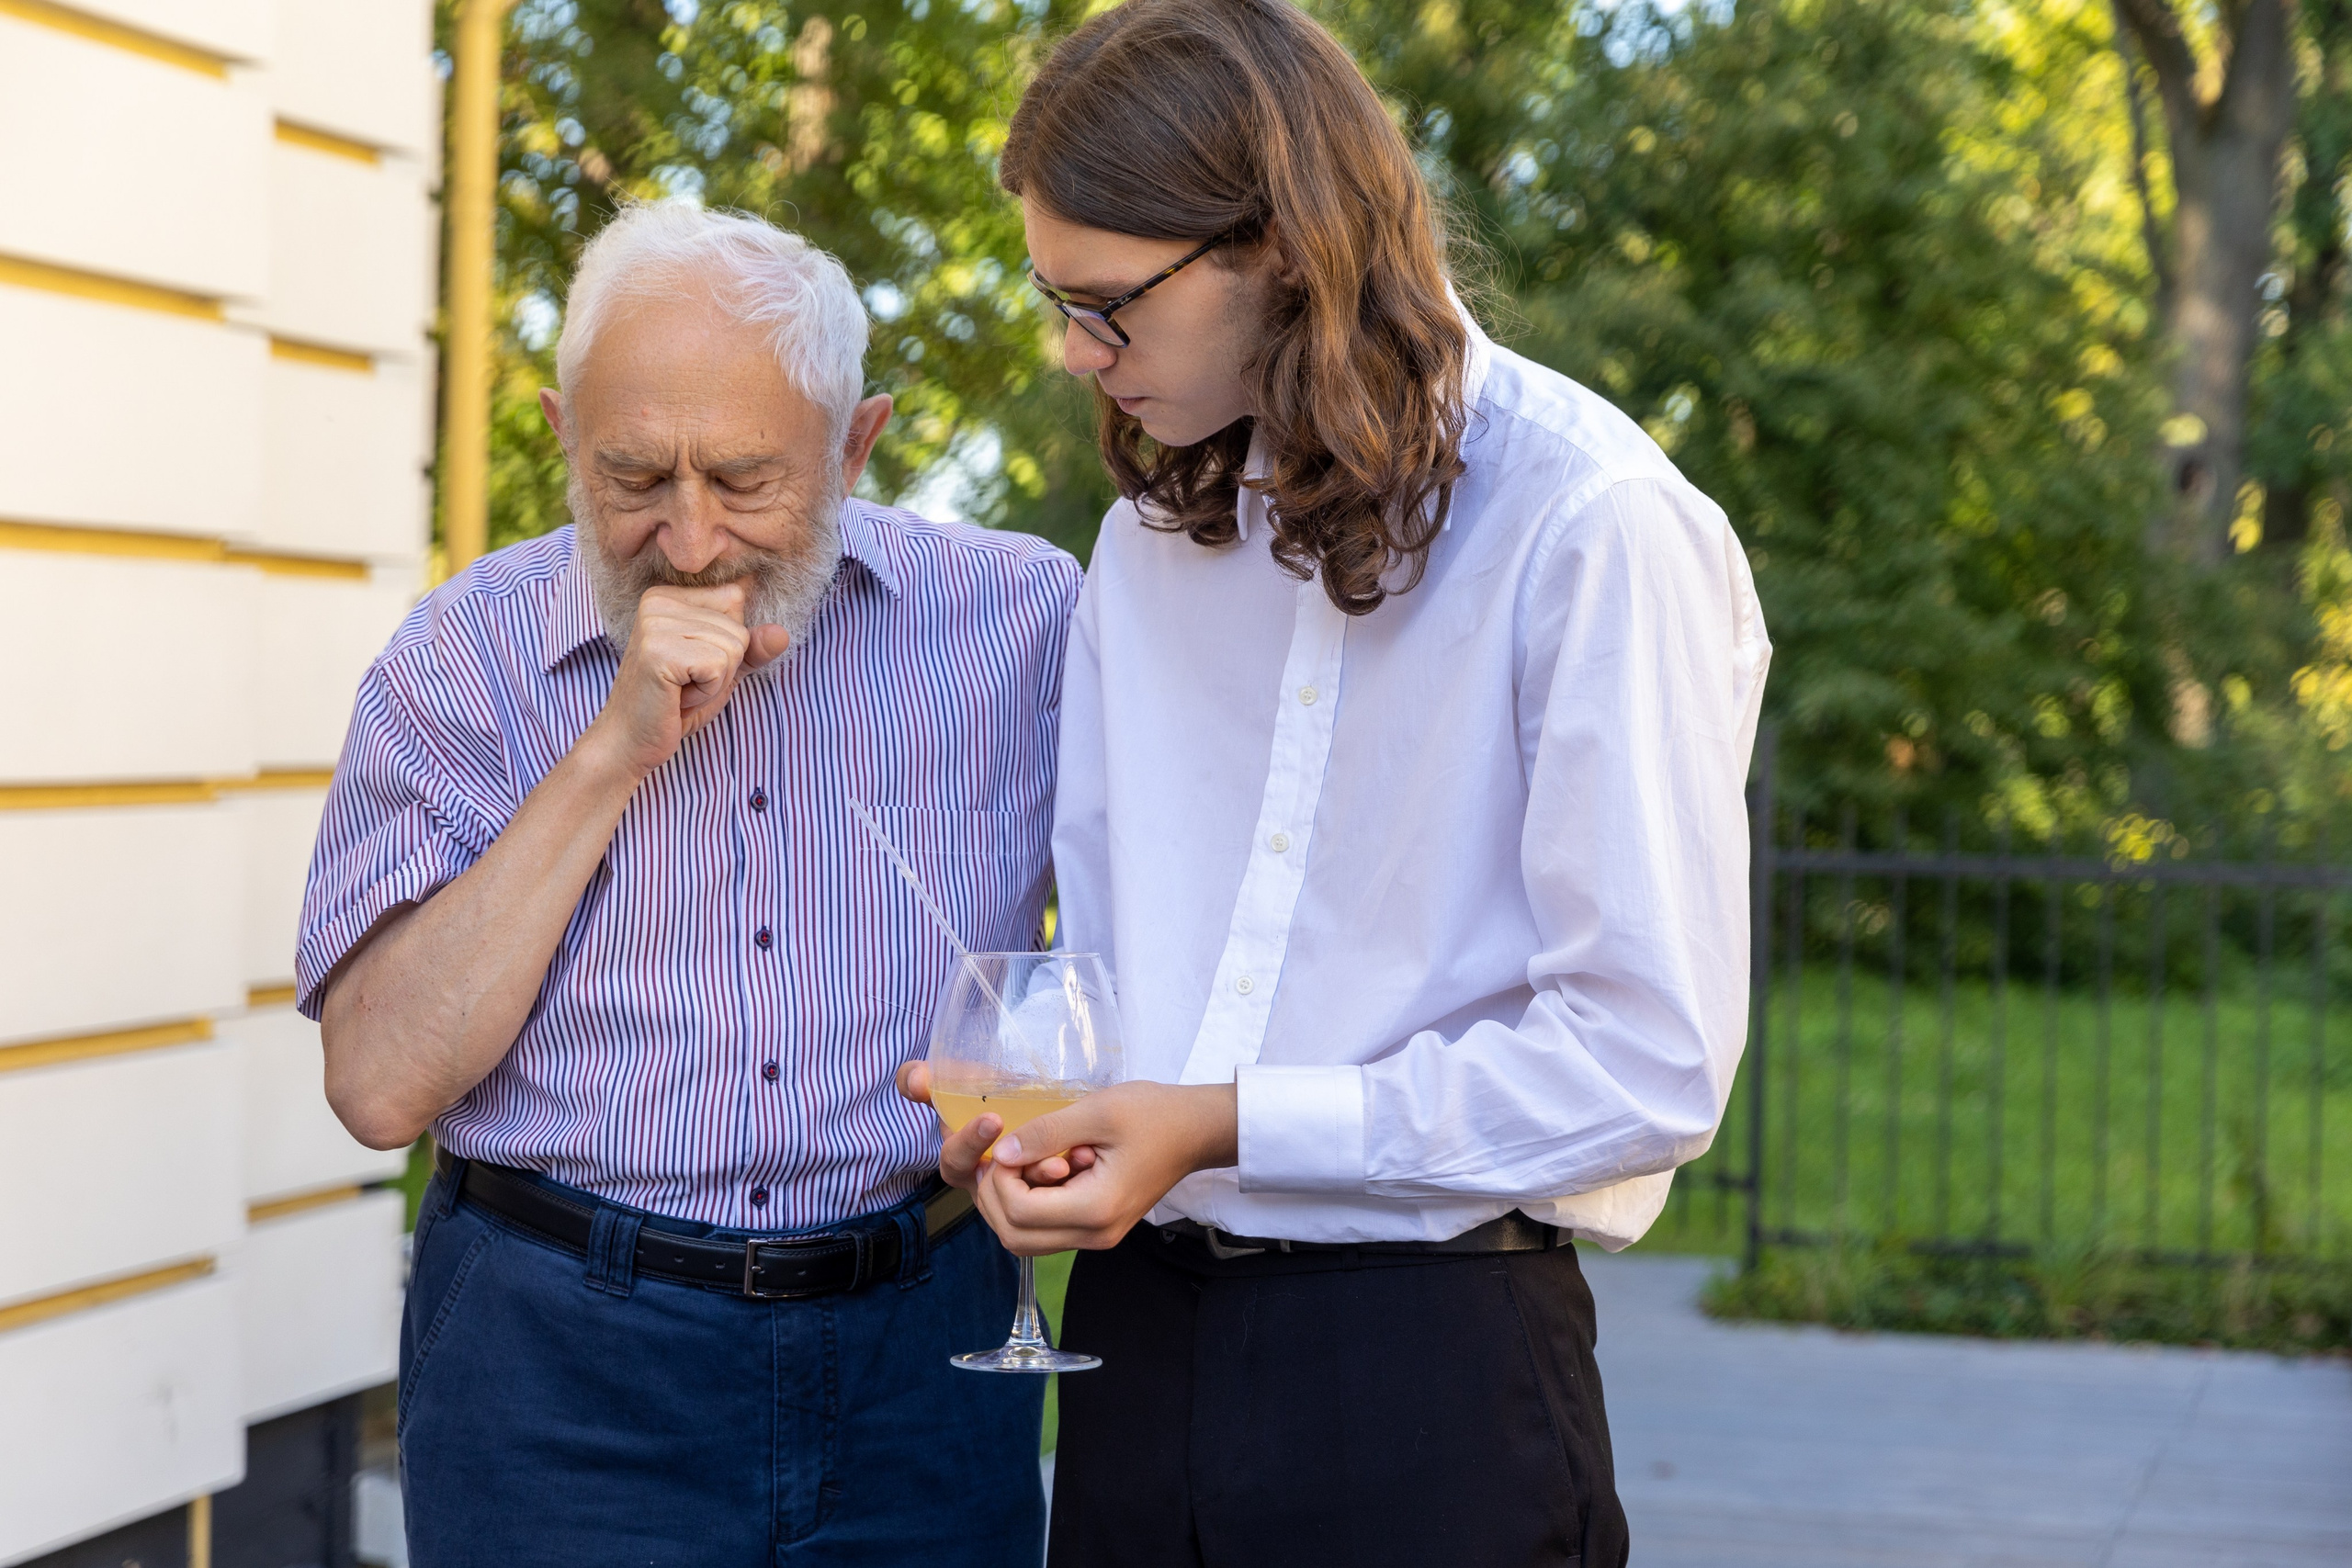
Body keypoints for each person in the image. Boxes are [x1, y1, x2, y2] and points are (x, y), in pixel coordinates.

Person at [897, 3, 1771, 1563]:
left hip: (1430, 1370)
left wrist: (1228, 1123)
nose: (1073, 352)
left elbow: (1642, 1059)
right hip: (1138, 1351)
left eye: (1108, 307)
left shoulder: (1593, 524)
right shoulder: (1147, 543)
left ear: (1286, 250)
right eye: (1054, 299)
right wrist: (1066, 1122)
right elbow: (1110, 964)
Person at [299, 202, 1080, 1565]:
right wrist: (611, 751)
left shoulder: (1026, 624)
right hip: (560, 1364)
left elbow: (1156, 934)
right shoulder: (459, 661)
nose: (694, 540)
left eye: (745, 479)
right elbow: (377, 1088)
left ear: (859, 444)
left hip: (922, 1348)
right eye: (635, 477)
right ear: (558, 432)